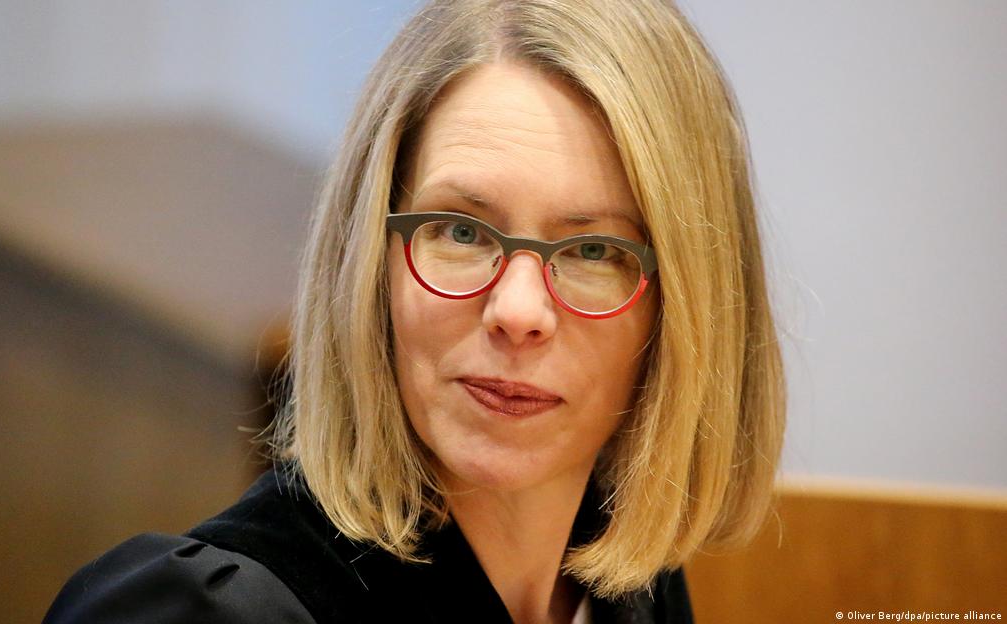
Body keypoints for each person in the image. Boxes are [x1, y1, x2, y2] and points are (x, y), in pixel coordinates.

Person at [44, 0, 785, 622]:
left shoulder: (636, 594)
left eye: (595, 251)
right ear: (371, 262)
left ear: (687, 310)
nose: (517, 310)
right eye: (460, 231)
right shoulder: (211, 613)